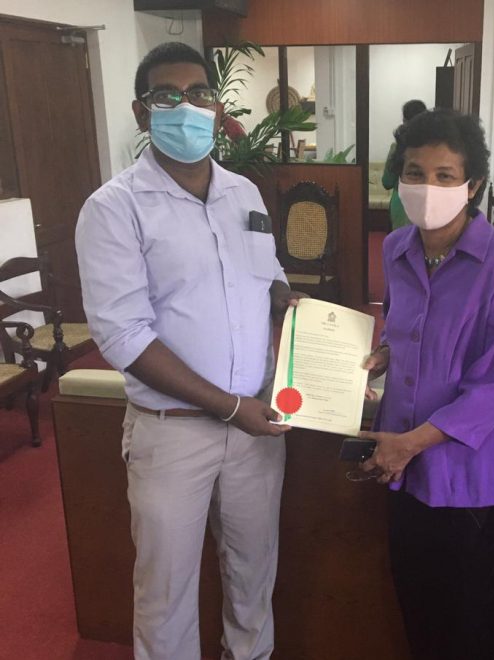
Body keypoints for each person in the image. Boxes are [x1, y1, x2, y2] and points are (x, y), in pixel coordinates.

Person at [75, 42, 302, 660]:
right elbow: (124, 336)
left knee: (253, 576)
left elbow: (267, 274)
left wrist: (289, 303)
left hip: (257, 425)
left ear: (217, 107)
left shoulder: (244, 193)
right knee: (165, 592)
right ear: (141, 111)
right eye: (166, 96)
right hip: (172, 432)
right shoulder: (113, 208)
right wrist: (227, 406)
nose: (186, 106)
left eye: (199, 93)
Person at [361, 109, 494, 660]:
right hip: (404, 469)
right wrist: (383, 354)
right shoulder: (396, 248)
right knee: (421, 612)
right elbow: (404, 325)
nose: (427, 187)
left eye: (445, 176)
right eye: (415, 173)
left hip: (473, 476)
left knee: (478, 627)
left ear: (473, 184)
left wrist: (410, 444)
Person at [382, 99, 427, 231]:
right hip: (426, 202)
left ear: (405, 121)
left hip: (401, 205)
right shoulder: (433, 149)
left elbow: (387, 182)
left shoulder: (397, 148)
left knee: (400, 241)